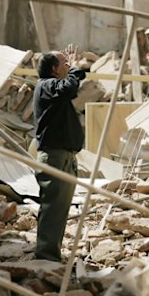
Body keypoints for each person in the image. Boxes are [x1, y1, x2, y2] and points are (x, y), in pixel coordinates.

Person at [33, 45, 86, 262]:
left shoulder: (55, 87)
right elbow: (69, 88)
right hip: (54, 157)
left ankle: (51, 254)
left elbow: (75, 81)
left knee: (59, 209)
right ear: (55, 70)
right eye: (64, 63)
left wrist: (73, 69)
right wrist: (72, 71)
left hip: (64, 157)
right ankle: (46, 258)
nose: (69, 66)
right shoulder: (46, 86)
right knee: (53, 209)